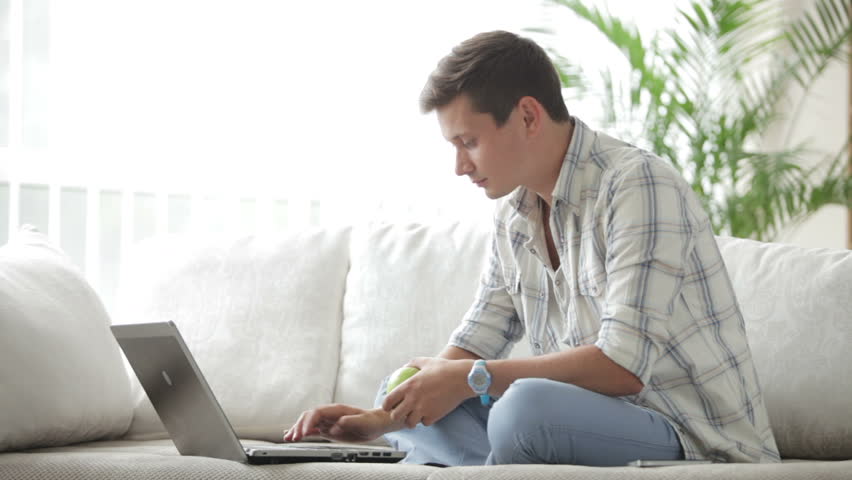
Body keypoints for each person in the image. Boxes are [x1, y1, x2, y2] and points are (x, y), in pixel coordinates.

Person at [282, 30, 780, 466]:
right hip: (583, 423)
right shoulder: (514, 211)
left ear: (526, 116)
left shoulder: (638, 185)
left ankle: (481, 462)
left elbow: (623, 368)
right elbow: (480, 336)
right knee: (408, 387)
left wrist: (471, 379)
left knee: (523, 411)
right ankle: (501, 464)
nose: (460, 166)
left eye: (469, 142)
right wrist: (383, 417)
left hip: (689, 432)